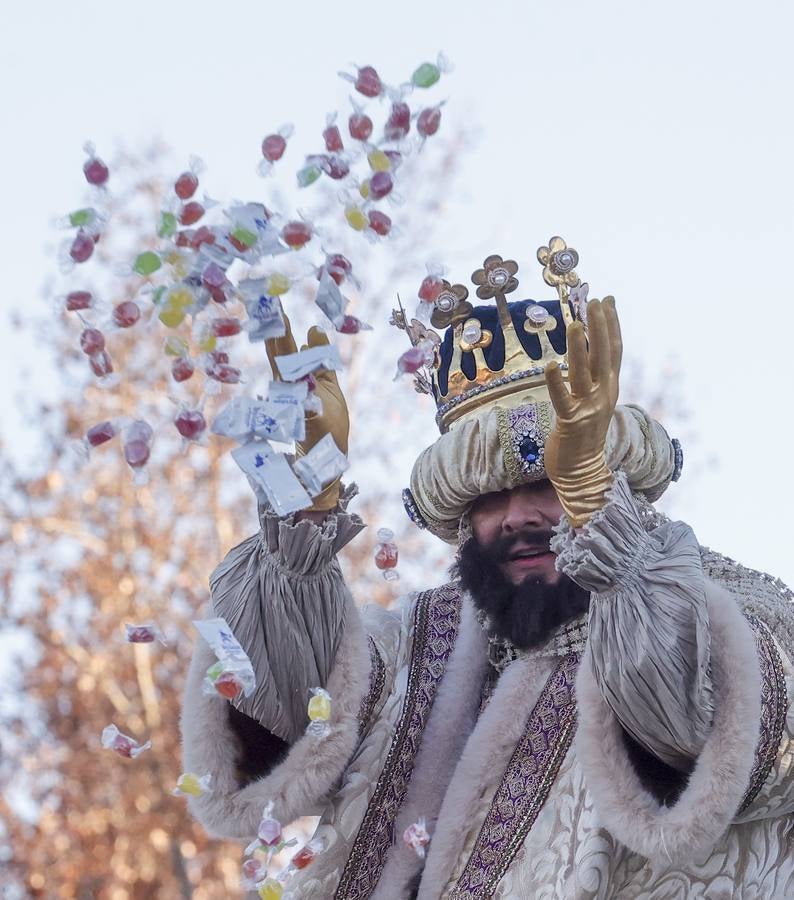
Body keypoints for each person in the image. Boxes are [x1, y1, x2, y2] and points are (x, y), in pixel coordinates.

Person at [181, 243, 794, 899]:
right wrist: (302, 516)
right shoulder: (420, 642)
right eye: (488, 499)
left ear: (609, 482)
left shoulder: (738, 610)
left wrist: (603, 529)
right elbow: (273, 709)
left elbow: (710, 732)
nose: (517, 516)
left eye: (547, 483)